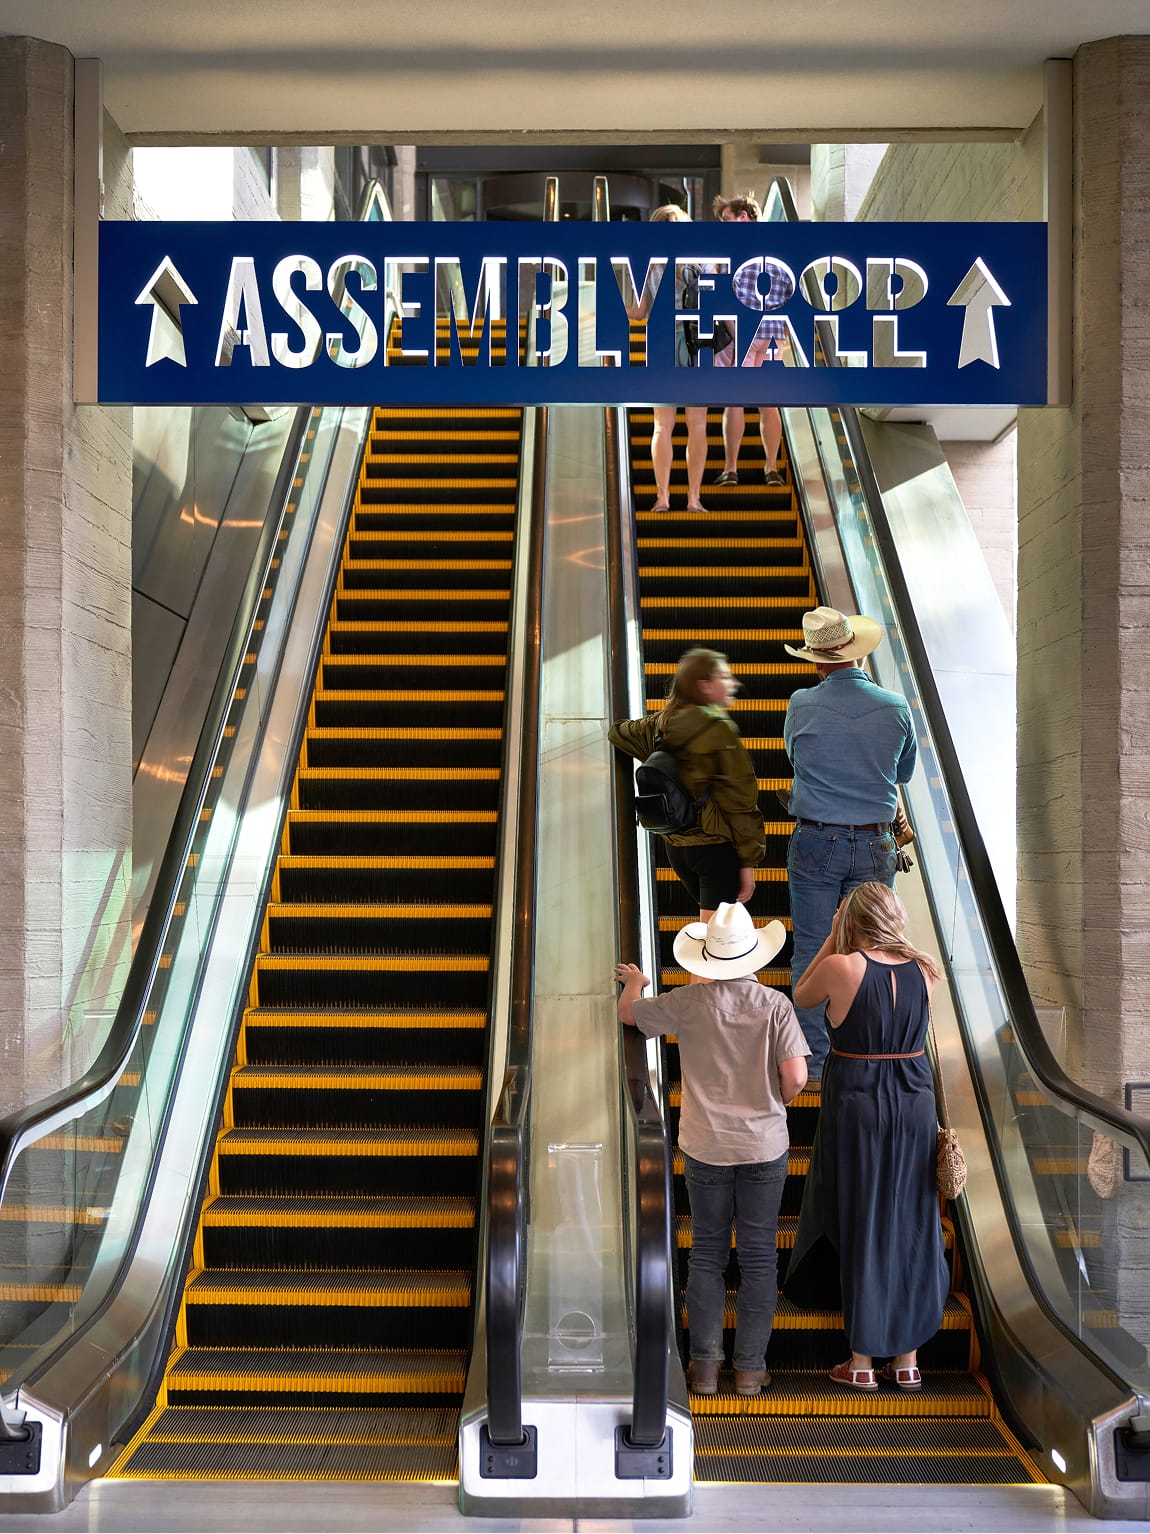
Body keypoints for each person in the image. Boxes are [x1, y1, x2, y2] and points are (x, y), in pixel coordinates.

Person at [616, 903, 808, 1395]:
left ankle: (703, 1369)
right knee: (760, 1256)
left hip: (705, 1146)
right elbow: (795, 1078)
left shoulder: (688, 1003)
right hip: (763, 1146)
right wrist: (771, 1103)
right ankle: (748, 1370)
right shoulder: (775, 1006)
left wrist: (636, 983)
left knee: (706, 1253)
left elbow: (628, 1015)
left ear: (707, 958)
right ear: (753, 957)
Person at [783, 881, 948, 1392]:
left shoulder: (841, 966)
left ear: (853, 920)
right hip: (914, 1099)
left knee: (865, 1216)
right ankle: (907, 1361)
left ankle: (859, 1361)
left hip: (858, 1101)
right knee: (911, 1217)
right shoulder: (925, 970)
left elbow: (800, 995)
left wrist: (833, 935)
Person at [782, 606, 916, 1077]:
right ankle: (874, 1051)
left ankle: (815, 1065)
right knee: (878, 948)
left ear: (817, 661)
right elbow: (903, 773)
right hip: (876, 844)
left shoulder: (802, 703)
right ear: (859, 655)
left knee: (813, 949)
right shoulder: (897, 706)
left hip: (817, 840)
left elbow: (795, 758)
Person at [609, 647, 765, 920]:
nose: (734, 684)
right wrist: (748, 863)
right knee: (715, 941)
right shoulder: (719, 729)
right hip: (714, 848)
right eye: (724, 678)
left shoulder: (658, 724)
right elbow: (740, 803)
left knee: (712, 935)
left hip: (677, 847)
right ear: (704, 686)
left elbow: (617, 732)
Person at [635, 203, 708, 513]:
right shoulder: (698, 262)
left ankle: (663, 497)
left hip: (661, 340)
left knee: (662, 427)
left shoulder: (649, 266)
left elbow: (639, 313)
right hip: (695, 341)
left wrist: (599, 309)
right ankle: (693, 498)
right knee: (698, 425)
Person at [711, 193, 785, 490]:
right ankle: (772, 468)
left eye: (726, 219)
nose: (724, 225)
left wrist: (734, 331)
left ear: (743, 217)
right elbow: (786, 293)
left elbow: (722, 294)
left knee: (735, 403)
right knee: (769, 404)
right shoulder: (778, 249)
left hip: (740, 332)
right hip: (772, 333)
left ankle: (731, 469)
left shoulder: (729, 250)